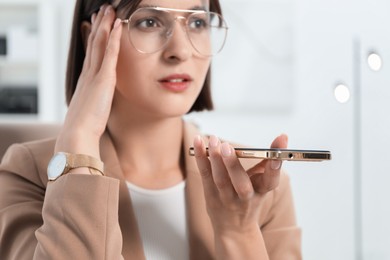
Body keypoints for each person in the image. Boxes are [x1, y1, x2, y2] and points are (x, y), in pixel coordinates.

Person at [0, 0, 301, 259]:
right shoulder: (29, 173)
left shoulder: (258, 182)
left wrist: (239, 232)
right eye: (149, 21)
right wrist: (79, 139)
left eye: (197, 22)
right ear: (96, 36)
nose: (181, 51)